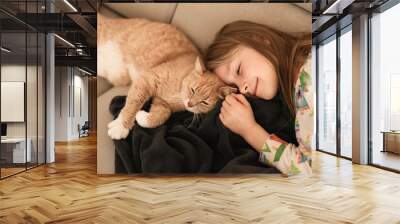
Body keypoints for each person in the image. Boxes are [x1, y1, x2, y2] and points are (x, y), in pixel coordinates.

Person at [206, 21, 313, 176]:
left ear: (260, 40)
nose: (242, 89)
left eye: (239, 70)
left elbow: (310, 170)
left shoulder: (308, 81)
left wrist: (249, 130)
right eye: (235, 86)